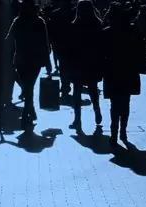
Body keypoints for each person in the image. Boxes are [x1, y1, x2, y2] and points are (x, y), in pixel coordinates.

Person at [7, 0, 52, 132]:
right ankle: (28, 112)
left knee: (27, 87)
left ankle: (29, 112)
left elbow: (9, 39)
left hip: (21, 59)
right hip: (35, 60)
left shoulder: (18, 21)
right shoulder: (39, 22)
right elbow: (45, 43)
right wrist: (48, 63)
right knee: (30, 86)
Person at [103, 2, 143, 146]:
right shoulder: (132, 30)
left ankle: (114, 132)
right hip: (128, 70)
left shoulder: (107, 32)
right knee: (125, 102)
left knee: (114, 104)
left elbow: (101, 53)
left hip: (112, 70)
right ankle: (123, 131)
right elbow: (140, 49)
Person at [66, 0, 105, 130]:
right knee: (92, 89)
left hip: (78, 61)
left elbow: (70, 47)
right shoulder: (97, 24)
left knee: (77, 91)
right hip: (92, 61)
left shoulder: (74, 25)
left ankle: (77, 119)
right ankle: (96, 109)